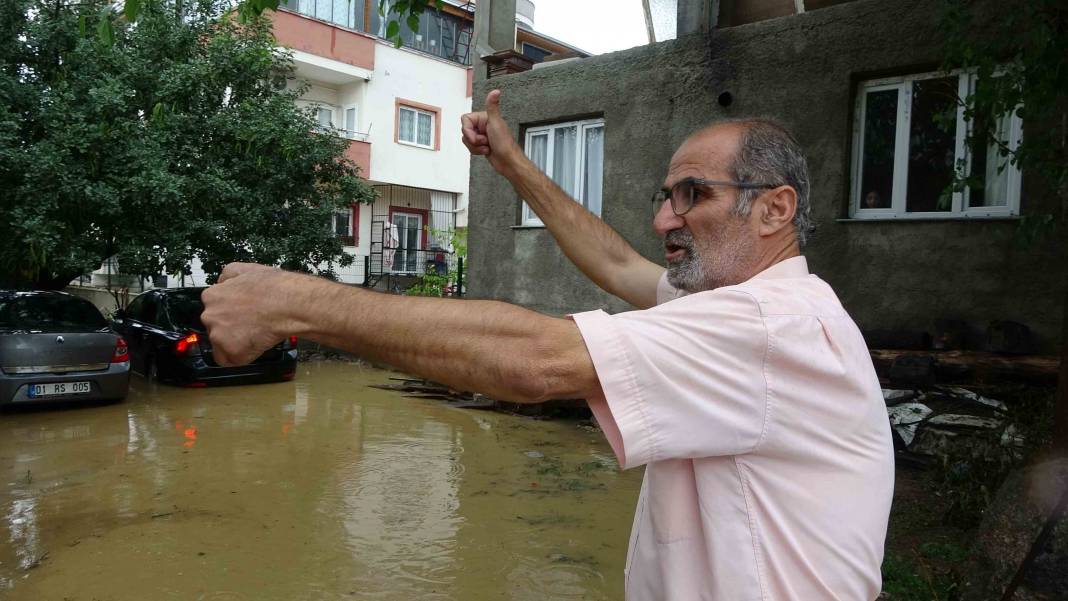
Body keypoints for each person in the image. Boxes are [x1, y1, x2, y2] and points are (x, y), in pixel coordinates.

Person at [201, 90, 894, 600]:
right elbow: (618, 266)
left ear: (774, 209)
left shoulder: (768, 326)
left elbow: (535, 360)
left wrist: (292, 302)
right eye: (663, 196)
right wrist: (513, 164)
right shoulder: (732, 312)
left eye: (691, 195)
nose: (663, 219)